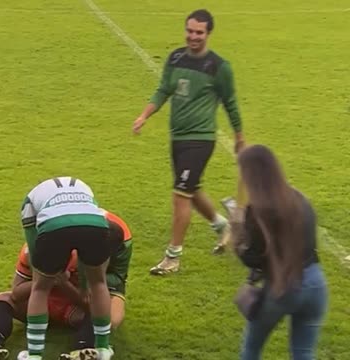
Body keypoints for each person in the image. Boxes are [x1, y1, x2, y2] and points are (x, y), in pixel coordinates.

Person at [131, 8, 245, 275]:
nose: (193, 36)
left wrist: (239, 136)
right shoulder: (176, 57)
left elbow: (231, 103)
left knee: (180, 196)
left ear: (208, 33)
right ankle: (222, 226)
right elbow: (163, 90)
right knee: (191, 191)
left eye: (199, 32)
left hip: (201, 139)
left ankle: (172, 257)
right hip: (178, 138)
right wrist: (144, 115)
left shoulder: (219, 67)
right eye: (190, 31)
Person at [229, 144, 328, 360]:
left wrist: (237, 234)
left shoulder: (257, 211)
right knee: (303, 353)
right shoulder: (300, 199)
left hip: (284, 287)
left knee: (251, 349)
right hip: (315, 283)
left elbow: (252, 258)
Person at [19, 176, 113, 359]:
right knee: (99, 283)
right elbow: (90, 217)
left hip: (54, 227)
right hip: (96, 224)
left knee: (39, 288)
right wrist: (84, 286)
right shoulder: (83, 186)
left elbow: (32, 242)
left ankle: (34, 354)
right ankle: (103, 348)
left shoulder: (30, 199)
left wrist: (41, 270)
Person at [0, 244, 83, 360]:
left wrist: (65, 284)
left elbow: (91, 300)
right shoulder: (30, 251)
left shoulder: (84, 253)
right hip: (36, 306)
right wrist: (43, 280)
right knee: (4, 298)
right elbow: (16, 293)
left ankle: (83, 350)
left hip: (70, 308)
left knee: (95, 311)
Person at [60, 210, 133, 360]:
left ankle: (81, 350)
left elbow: (119, 276)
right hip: (74, 273)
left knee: (111, 319)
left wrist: (99, 283)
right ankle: (82, 348)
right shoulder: (79, 236)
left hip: (107, 280)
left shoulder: (124, 242)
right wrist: (84, 287)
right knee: (88, 301)